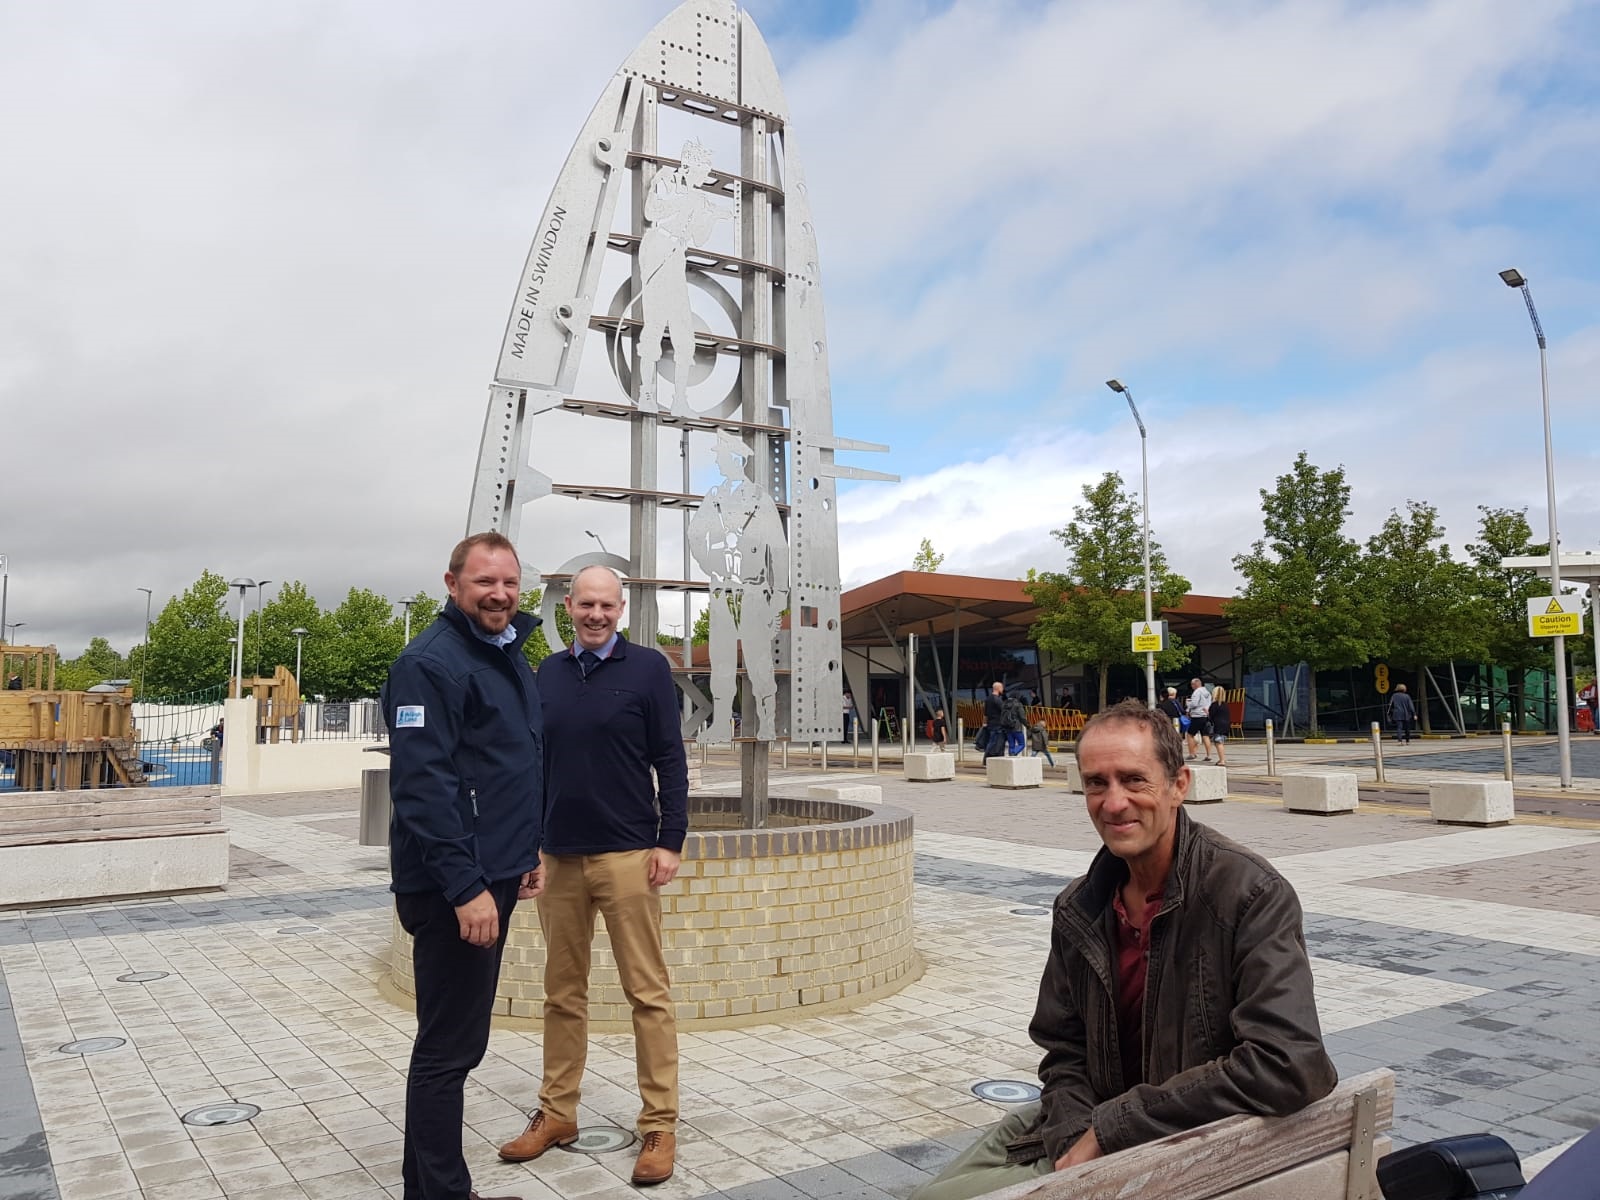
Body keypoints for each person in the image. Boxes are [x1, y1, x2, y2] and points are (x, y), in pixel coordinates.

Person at [912, 700, 1336, 1200]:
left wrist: (1111, 1130)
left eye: (1134, 780)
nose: (1113, 803)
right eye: (1096, 783)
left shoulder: (1246, 893)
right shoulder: (1080, 905)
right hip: (1091, 1117)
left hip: (1177, 1149)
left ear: (1180, 785)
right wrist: (1076, 1139)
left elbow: (1286, 1062)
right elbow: (1064, 1049)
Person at [498, 565, 689, 1187]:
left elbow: (670, 758)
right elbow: (530, 765)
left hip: (629, 855)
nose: (596, 615)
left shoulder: (649, 670)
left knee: (648, 993)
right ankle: (557, 1115)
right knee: (562, 994)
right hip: (559, 858)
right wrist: (528, 846)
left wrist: (671, 841)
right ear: (570, 608)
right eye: (587, 605)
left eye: (607, 605)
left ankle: (659, 1123)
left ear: (621, 609)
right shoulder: (546, 674)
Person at [383, 532, 546, 1200]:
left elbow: (507, 765)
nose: (500, 595)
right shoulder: (430, 663)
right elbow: (425, 787)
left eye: (509, 582)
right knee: (449, 1051)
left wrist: (523, 852)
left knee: (452, 1044)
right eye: (484, 583)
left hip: (490, 872)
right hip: (455, 888)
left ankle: (428, 1186)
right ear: (452, 585)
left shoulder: (503, 655)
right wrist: (467, 886)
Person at [1184, 678, 1213, 761]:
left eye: (1192, 685)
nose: (1191, 686)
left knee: (1190, 734)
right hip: (1205, 715)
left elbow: (1194, 703)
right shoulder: (1207, 692)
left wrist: (1188, 707)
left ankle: (1192, 753)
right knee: (1205, 735)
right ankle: (1209, 755)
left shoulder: (1197, 692)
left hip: (1197, 716)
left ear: (1195, 684)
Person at [982, 681, 1007, 759]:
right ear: (998, 688)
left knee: (992, 741)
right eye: (1002, 687)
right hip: (997, 724)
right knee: (997, 742)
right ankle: (988, 758)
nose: (1003, 689)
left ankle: (988, 758)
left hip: (991, 723)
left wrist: (984, 724)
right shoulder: (997, 700)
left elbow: (985, 713)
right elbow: (1004, 711)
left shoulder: (988, 699)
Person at [1207, 688, 1231, 767]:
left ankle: (1222, 760)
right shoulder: (1225, 705)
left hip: (1218, 725)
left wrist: (1207, 713)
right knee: (1221, 742)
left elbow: (1211, 716)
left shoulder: (1214, 705)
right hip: (1226, 725)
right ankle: (1221, 759)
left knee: (1218, 743)